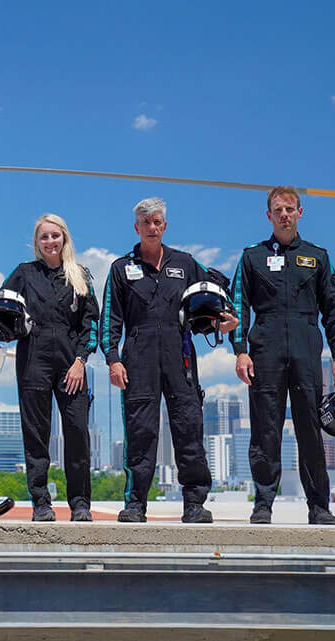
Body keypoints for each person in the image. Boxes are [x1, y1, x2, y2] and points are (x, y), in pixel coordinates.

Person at [101, 197, 238, 524]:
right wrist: (112, 359)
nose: (152, 227)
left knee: (189, 428)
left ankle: (194, 504)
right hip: (138, 358)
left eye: (157, 222)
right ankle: (135, 504)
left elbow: (220, 290)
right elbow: (110, 318)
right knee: (141, 432)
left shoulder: (185, 263)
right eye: (146, 222)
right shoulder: (121, 268)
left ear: (164, 226)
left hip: (181, 356)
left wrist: (227, 318)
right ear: (136, 227)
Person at [231, 186, 335, 525]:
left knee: (310, 430)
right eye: (278, 210)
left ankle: (319, 506)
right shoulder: (251, 257)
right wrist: (241, 352)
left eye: (290, 209)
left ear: (300, 213)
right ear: (268, 215)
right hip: (264, 350)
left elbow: (334, 309)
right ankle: (263, 503)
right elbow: (237, 306)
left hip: (305, 350)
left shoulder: (318, 257)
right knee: (265, 430)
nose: (284, 215)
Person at [0, 214, 99, 522]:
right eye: (44, 237)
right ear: (36, 242)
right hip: (33, 362)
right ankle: (41, 502)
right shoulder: (23, 274)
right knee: (36, 436)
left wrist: (80, 361)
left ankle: (80, 503)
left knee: (78, 434)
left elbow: (91, 324)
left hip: (72, 365)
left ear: (64, 238)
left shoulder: (79, 275)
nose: (50, 242)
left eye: (55, 236)